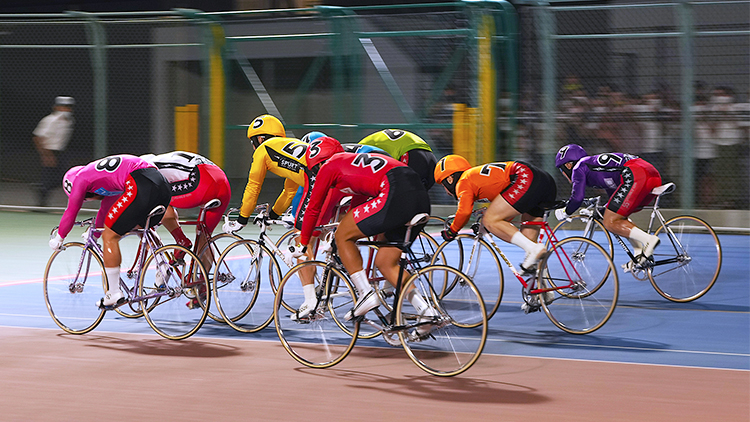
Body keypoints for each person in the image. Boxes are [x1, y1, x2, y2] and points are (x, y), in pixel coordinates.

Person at [295, 137, 433, 328]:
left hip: (395, 189)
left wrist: (303, 244)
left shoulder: (329, 165)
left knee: (343, 236)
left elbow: (313, 208)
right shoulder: (354, 162)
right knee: (385, 263)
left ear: (318, 163)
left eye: (313, 170)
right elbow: (358, 204)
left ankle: (365, 293)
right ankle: (426, 311)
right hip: (420, 195)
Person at [49, 154, 171, 308]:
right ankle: (162, 264)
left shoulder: (81, 178)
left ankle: (113, 293)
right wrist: (94, 233)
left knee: (109, 236)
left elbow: (71, 211)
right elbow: (105, 210)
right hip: (161, 184)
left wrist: (59, 237)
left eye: (86, 198)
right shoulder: (104, 181)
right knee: (141, 227)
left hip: (139, 181)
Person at [434, 155, 557, 275]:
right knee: (528, 239)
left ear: (450, 179)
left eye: (443, 185)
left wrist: (452, 231)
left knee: (489, 219)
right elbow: (509, 210)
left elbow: (464, 212)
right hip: (542, 180)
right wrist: (489, 227)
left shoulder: (463, 181)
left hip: (524, 177)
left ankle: (533, 249)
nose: (446, 191)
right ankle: (544, 287)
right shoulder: (476, 177)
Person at [140, 151, 231, 308]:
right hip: (222, 182)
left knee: (158, 200)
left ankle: (181, 241)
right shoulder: (164, 159)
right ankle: (201, 288)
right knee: (204, 238)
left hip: (201, 181)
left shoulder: (144, 170)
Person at [554, 144, 662, 267]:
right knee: (617, 216)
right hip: (651, 174)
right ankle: (638, 251)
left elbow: (577, 198)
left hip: (635, 173)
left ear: (568, 165)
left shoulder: (578, 167)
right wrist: (599, 211)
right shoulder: (595, 167)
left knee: (610, 222)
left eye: (562, 170)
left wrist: (565, 212)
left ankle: (649, 240)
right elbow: (614, 201)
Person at [222, 114, 308, 233]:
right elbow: (290, 191)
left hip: (319, 179)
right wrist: (272, 216)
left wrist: (242, 219)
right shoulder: (293, 144)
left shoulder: (263, 149)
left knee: (302, 237)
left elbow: (253, 187)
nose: (253, 147)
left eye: (252, 142)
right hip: (331, 172)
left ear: (260, 139)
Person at [358, 129, 437, 190]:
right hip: (428, 153)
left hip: (408, 153)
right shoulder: (362, 147)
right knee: (418, 196)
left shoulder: (354, 158)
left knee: (401, 194)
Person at [33, 96, 74, 207]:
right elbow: (37, 137)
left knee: (63, 177)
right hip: (49, 151)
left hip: (61, 152)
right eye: (63, 107)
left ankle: (41, 187)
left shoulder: (68, 121)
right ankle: (41, 202)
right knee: (49, 176)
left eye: (68, 107)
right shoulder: (50, 120)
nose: (66, 110)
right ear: (56, 107)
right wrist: (46, 155)